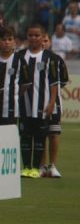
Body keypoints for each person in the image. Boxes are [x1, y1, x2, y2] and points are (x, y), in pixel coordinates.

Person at [17, 24, 58, 178]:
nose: (33, 38)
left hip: (42, 106)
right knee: (25, 138)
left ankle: (37, 168)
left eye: (37, 35)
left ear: (43, 37)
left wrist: (52, 103)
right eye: (30, 35)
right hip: (24, 106)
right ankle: (26, 167)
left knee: (40, 138)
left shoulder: (50, 58)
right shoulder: (20, 56)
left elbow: (54, 83)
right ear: (26, 37)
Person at [43, 33, 68, 178]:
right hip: (37, 104)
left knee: (53, 134)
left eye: (46, 41)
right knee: (40, 135)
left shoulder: (57, 59)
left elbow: (64, 80)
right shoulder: (29, 58)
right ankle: (42, 166)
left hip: (54, 103)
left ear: (50, 42)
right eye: (42, 40)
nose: (44, 43)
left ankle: (52, 166)